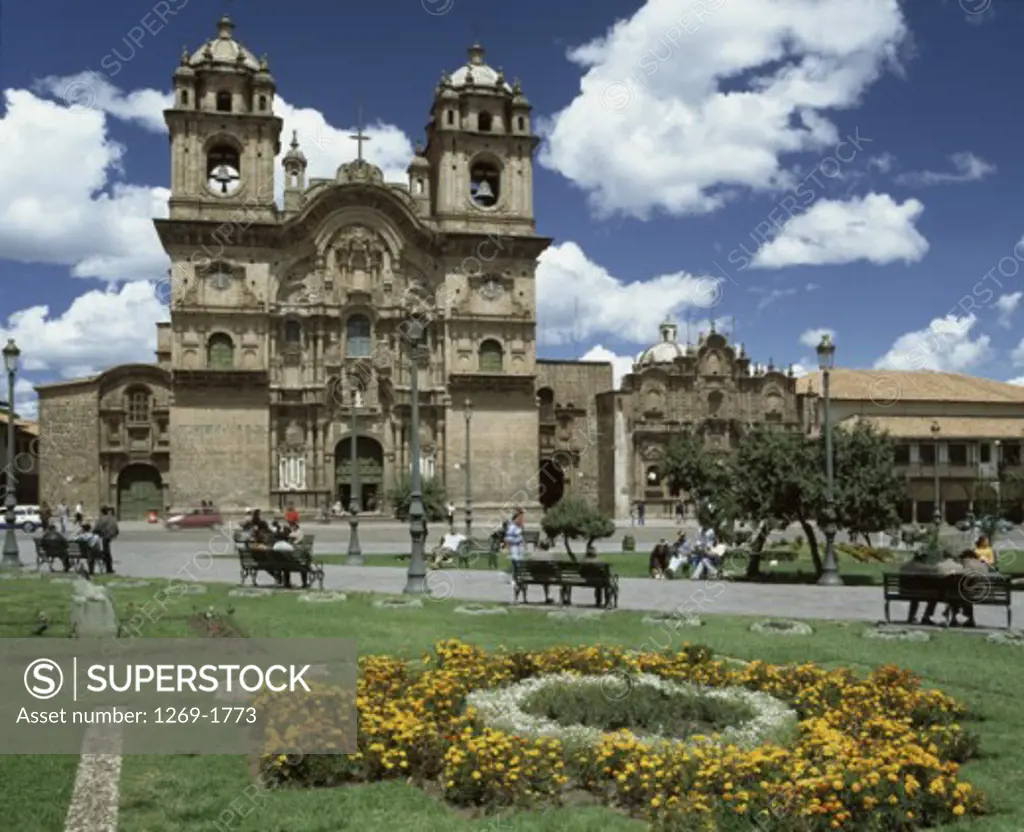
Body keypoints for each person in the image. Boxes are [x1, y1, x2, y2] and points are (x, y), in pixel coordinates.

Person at [93, 506, 119, 574]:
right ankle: (109, 567)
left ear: (101, 512)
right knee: (107, 551)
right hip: (110, 536)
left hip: (104, 536)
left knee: (106, 551)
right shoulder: (112, 518)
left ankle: (107, 566)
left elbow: (96, 529)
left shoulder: (101, 519)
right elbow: (116, 529)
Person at [503, 509, 526, 584]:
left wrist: (522, 541)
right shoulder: (512, 527)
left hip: (519, 548)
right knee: (516, 563)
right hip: (515, 547)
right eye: (520, 518)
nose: (522, 520)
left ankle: (517, 578)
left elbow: (520, 535)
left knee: (519, 563)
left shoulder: (518, 526)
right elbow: (508, 538)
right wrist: (517, 541)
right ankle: (514, 578)